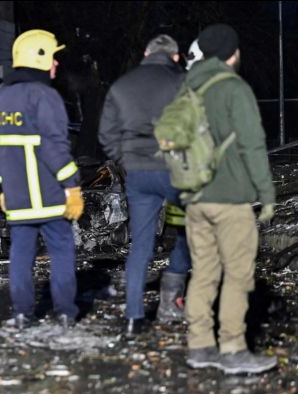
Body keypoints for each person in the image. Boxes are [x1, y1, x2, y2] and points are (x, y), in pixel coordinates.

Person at [182, 24, 277, 374]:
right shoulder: (234, 88)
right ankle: (234, 348)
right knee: (238, 274)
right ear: (233, 54)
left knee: (204, 272)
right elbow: (253, 144)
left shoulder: (188, 86)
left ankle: (200, 345)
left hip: (194, 197)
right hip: (231, 198)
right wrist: (266, 193)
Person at [0, 29, 84, 328]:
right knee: (62, 253)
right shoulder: (45, 95)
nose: (56, 64)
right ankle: (66, 312)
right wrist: (73, 186)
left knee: (20, 256)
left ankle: (21, 313)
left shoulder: (1, 98)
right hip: (51, 195)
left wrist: (4, 187)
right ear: (40, 59)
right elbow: (55, 145)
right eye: (53, 57)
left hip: (17, 198)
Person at [98, 34, 190, 335]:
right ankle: (171, 296)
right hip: (174, 168)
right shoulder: (182, 83)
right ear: (175, 57)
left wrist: (122, 158)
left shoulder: (122, 85)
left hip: (137, 171)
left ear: (145, 53)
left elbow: (106, 133)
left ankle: (133, 317)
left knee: (140, 246)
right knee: (191, 231)